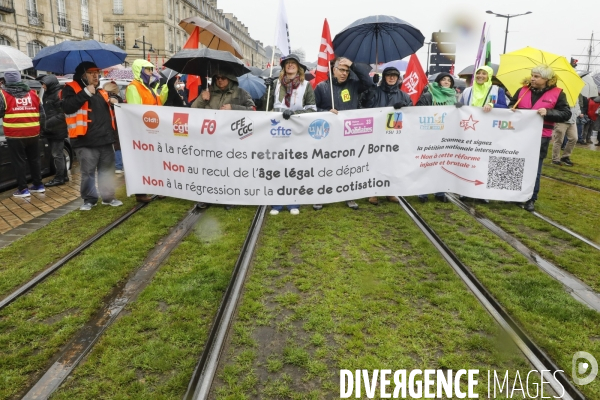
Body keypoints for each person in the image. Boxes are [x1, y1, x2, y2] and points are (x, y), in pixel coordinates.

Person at [508, 65, 571, 212]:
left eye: (536, 76)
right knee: (516, 164)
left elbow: (566, 113)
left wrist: (548, 112)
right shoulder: (523, 90)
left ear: (546, 79)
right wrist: (512, 108)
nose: (532, 78)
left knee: (535, 168)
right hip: (519, 134)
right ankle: (514, 195)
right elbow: (511, 104)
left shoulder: (558, 93)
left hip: (541, 136)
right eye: (532, 75)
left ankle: (531, 198)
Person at [61, 61, 123, 210]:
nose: (96, 75)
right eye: (91, 73)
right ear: (82, 75)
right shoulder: (71, 88)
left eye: (97, 72)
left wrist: (117, 101)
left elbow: (115, 102)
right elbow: (67, 107)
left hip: (105, 139)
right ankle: (89, 199)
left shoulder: (101, 91)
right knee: (88, 172)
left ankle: (108, 197)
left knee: (107, 171)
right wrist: (86, 93)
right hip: (85, 140)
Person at [314, 57, 373, 210]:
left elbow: (368, 83)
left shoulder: (353, 86)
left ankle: (349, 195)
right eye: (341, 69)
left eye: (347, 71)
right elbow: (312, 109)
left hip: (348, 133)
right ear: (333, 70)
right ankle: (321, 195)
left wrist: (353, 65)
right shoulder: (321, 87)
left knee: (348, 165)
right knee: (326, 165)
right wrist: (326, 113)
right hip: (327, 134)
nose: (344, 73)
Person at [192, 68, 255, 209]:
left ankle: (230, 196)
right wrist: (202, 99)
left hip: (231, 139)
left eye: (223, 77)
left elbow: (253, 111)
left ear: (230, 79)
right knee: (209, 168)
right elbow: (193, 110)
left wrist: (233, 107)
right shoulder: (208, 92)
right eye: (217, 78)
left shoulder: (241, 93)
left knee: (230, 169)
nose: (220, 80)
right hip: (210, 138)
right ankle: (206, 196)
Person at [262, 54, 317, 215]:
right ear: (284, 67)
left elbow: (312, 108)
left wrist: (293, 113)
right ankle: (277, 203)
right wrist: (268, 89)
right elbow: (266, 107)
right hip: (277, 131)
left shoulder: (306, 85)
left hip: (296, 130)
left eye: (293, 63)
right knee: (278, 167)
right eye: (288, 63)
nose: (290, 65)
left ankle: (294, 202)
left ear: (298, 67)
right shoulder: (276, 84)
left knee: (295, 167)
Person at [362, 66, 411, 205]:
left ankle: (390, 191)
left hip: (395, 135)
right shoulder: (375, 91)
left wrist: (405, 108)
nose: (391, 78)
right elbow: (365, 106)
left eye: (394, 76)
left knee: (392, 163)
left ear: (398, 78)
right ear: (384, 77)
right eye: (388, 75)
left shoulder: (404, 96)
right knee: (375, 162)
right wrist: (371, 90)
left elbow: (412, 115)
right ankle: (373, 192)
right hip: (376, 134)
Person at [126, 59, 168, 202]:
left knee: (154, 161)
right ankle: (140, 193)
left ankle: (157, 187)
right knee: (141, 162)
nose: (151, 72)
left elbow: (158, 103)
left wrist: (164, 90)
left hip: (154, 129)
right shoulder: (134, 87)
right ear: (140, 71)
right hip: (143, 131)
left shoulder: (148, 87)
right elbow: (135, 110)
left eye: (151, 70)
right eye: (148, 70)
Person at [0, 69, 45, 197]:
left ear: (6, 81)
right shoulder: (33, 93)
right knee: (34, 160)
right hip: (33, 133)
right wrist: (41, 130)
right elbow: (42, 115)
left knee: (19, 162)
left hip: (15, 134)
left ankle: (23, 189)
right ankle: (38, 185)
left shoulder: (2, 94)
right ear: (20, 79)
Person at [416, 72, 459, 203]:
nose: (446, 82)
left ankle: (439, 192)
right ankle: (422, 193)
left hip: (446, 136)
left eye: (449, 80)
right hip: (430, 134)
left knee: (442, 164)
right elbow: (418, 111)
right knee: (427, 163)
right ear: (438, 81)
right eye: (443, 79)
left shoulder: (454, 98)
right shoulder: (429, 94)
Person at [38, 74, 69, 187]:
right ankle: (64, 176)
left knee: (57, 155)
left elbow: (62, 114)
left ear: (50, 84)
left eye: (44, 84)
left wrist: (46, 123)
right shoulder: (48, 93)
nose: (43, 86)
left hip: (57, 130)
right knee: (57, 154)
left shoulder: (57, 94)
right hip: (51, 130)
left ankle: (60, 177)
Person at [103, 81, 124, 173]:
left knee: (115, 145)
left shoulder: (111, 98)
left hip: (111, 124)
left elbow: (114, 102)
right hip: (116, 124)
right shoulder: (115, 97)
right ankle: (118, 166)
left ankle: (117, 166)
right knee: (117, 145)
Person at [551, 100, 580, 166]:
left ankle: (565, 157)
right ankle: (555, 159)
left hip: (572, 121)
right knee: (559, 140)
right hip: (562, 121)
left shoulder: (575, 96)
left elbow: (578, 108)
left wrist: (576, 114)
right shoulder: (562, 96)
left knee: (574, 138)